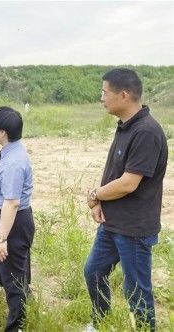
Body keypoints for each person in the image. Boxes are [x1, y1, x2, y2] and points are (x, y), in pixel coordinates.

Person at [84, 68, 168, 331]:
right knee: (94, 272)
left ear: (123, 95)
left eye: (104, 93)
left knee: (137, 292)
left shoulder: (146, 132)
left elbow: (129, 183)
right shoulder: (126, 127)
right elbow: (114, 171)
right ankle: (100, 323)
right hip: (112, 222)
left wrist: (95, 194)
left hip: (133, 228)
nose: (102, 98)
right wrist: (99, 202)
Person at [0, 106, 34, 332]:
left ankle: (17, 326)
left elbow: (11, 202)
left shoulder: (12, 162)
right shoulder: (12, 151)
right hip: (12, 220)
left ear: (1, 132)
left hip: (11, 222)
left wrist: (1, 238)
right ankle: (26, 309)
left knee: (12, 277)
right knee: (19, 269)